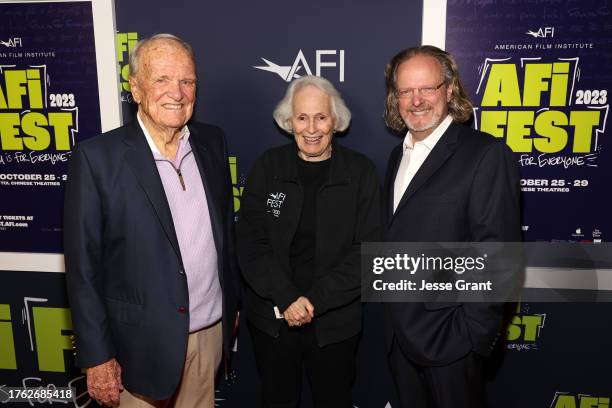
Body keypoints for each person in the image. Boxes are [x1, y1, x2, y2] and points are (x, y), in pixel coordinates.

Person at [64, 34, 240, 407]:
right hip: (138, 348)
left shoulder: (212, 143)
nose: (176, 92)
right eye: (161, 79)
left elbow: (225, 230)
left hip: (209, 335)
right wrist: (97, 357)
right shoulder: (98, 159)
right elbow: (83, 269)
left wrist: (232, 305)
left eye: (187, 81)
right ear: (136, 88)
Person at [382, 45, 521, 408]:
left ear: (448, 89)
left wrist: (472, 337)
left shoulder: (485, 154)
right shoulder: (397, 156)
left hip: (451, 343)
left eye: (426, 88)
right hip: (398, 338)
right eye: (405, 91)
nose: (416, 101)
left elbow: (497, 254)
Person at [237, 75, 381, 408]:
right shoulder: (267, 167)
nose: (311, 128)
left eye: (321, 117)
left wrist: (312, 301)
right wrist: (287, 298)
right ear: (289, 121)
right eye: (302, 117)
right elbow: (250, 243)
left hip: (334, 324)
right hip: (272, 320)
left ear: (336, 121)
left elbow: (367, 252)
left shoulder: (360, 173)